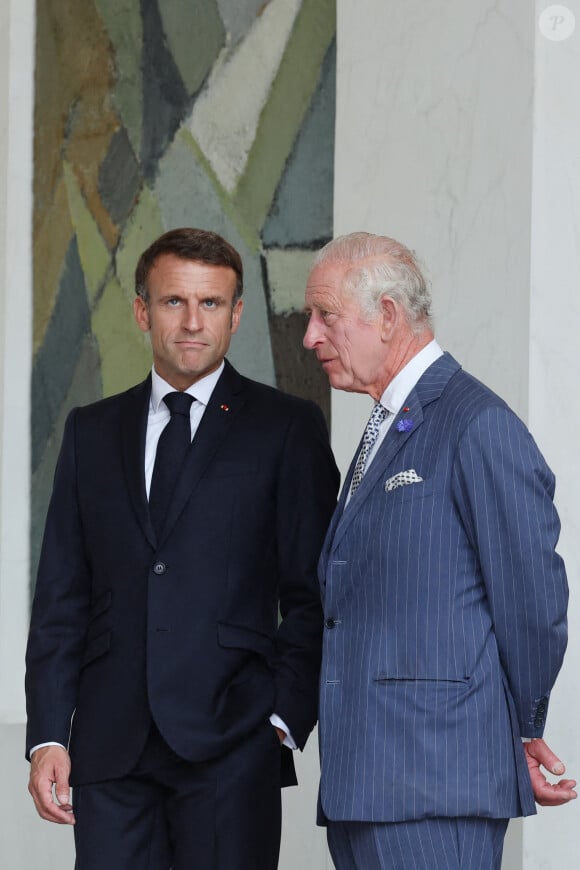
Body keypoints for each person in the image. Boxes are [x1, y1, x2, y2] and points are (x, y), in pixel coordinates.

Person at [25, 227, 339, 869]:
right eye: (174, 302)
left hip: (232, 746)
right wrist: (48, 735)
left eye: (212, 304)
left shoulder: (285, 428)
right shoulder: (91, 432)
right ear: (143, 310)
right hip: (110, 752)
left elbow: (316, 592)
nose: (193, 322)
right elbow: (62, 596)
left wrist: (280, 720)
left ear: (236, 314)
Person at [303, 231, 576, 869]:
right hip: (365, 785)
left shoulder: (477, 423)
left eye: (327, 316)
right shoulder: (386, 422)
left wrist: (524, 724)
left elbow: (534, 598)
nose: (312, 336)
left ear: (389, 316)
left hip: (432, 784)